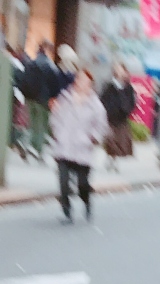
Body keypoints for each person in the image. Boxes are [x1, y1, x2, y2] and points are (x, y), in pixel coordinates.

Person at [50, 67, 107, 222]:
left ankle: (86, 201)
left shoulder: (95, 105)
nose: (81, 83)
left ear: (90, 84)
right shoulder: (65, 97)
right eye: (79, 79)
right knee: (63, 181)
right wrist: (57, 132)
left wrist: (92, 138)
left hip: (82, 148)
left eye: (85, 80)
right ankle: (66, 210)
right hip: (64, 145)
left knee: (82, 184)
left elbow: (101, 126)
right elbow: (55, 116)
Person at [20, 42, 59, 157]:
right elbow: (54, 84)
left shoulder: (31, 63)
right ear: (47, 50)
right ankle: (37, 149)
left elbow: (23, 80)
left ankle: (25, 143)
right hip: (43, 100)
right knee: (41, 126)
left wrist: (25, 94)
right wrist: (52, 97)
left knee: (29, 123)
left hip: (29, 98)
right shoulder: (50, 65)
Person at [100, 63, 136, 170]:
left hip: (122, 118)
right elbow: (103, 99)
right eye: (117, 69)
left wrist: (127, 109)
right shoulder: (109, 85)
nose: (120, 72)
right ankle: (110, 158)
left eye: (121, 70)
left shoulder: (128, 87)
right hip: (110, 117)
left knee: (120, 141)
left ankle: (114, 159)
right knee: (111, 139)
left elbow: (132, 101)